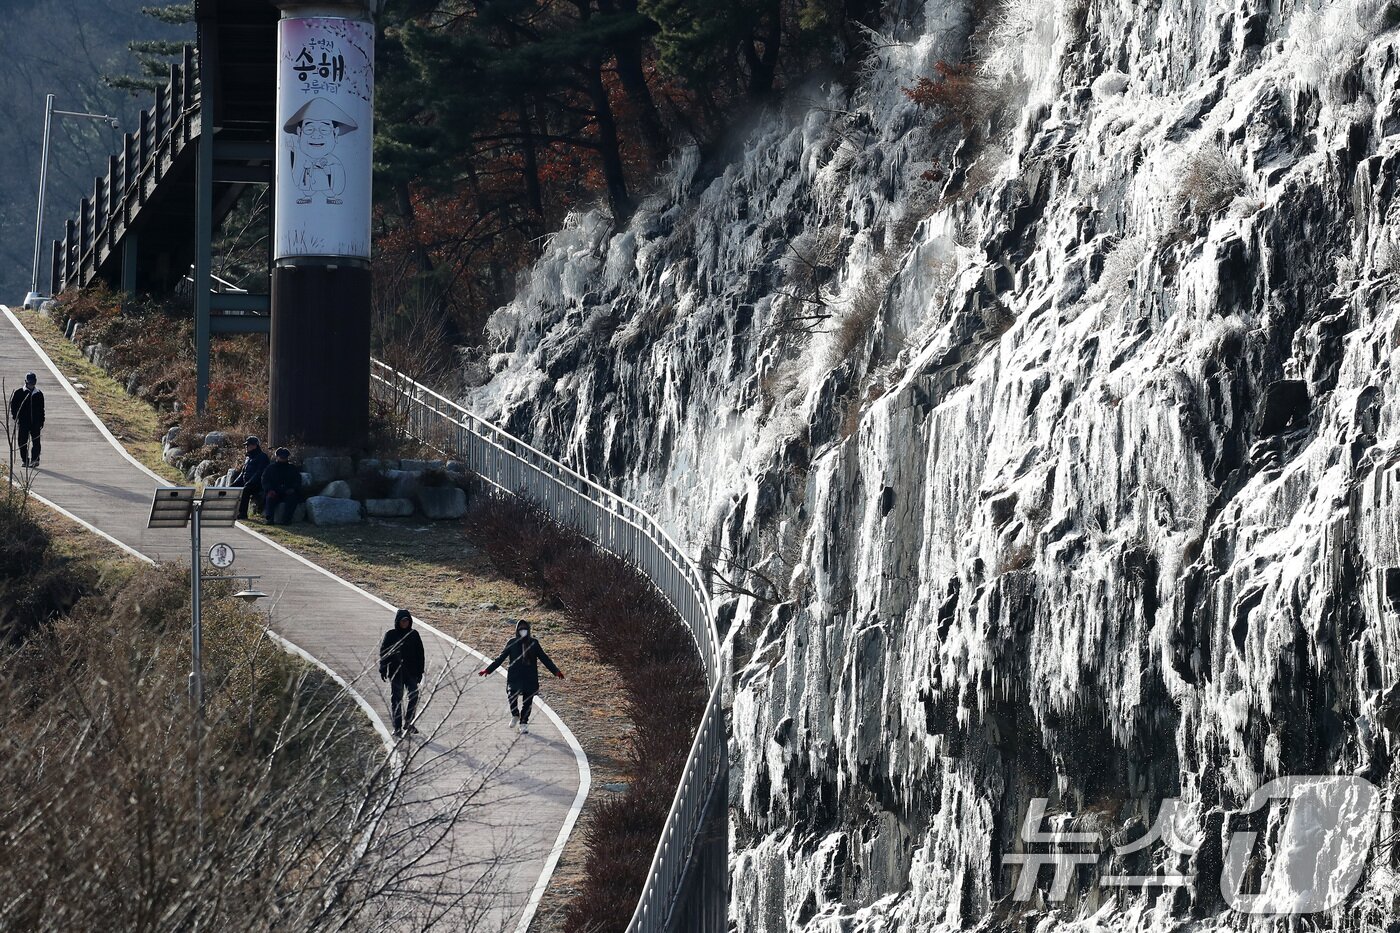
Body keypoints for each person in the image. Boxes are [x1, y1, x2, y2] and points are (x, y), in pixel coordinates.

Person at [478, 619, 563, 735]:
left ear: (529, 630)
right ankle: (515, 714)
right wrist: (488, 670)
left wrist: (556, 671)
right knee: (511, 695)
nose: (523, 631)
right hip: (515, 676)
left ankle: (523, 724)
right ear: (517, 630)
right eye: (520, 629)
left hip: (530, 677)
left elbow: (544, 658)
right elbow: (500, 658)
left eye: (525, 629)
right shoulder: (512, 642)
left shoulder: (534, 643)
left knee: (527, 702)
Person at [379, 608, 425, 739]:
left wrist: (420, 672)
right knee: (397, 700)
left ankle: (409, 722)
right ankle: (397, 727)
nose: (405, 623)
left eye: (407, 621)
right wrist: (383, 667)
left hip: (411, 673)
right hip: (396, 673)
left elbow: (420, 654)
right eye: (402, 621)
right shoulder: (391, 635)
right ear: (397, 621)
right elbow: (384, 653)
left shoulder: (414, 634)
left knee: (414, 696)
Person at [9, 372, 45, 469]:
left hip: (36, 423)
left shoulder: (39, 394)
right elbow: (14, 407)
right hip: (23, 423)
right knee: (22, 442)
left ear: (35, 382)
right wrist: (16, 417)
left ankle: (35, 460)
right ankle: (25, 460)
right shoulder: (19, 393)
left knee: (36, 442)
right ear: (25, 382)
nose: (31, 385)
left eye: (33, 383)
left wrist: (42, 421)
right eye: (29, 383)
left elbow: (42, 409)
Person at [260, 447, 303, 525]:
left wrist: (293, 489)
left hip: (288, 492)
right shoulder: (270, 468)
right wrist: (269, 489)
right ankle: (269, 519)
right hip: (274, 491)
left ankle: (286, 520)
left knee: (292, 499)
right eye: (281, 457)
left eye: (285, 457)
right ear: (277, 457)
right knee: (269, 498)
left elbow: (298, 480)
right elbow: (264, 480)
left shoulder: (292, 468)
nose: (283, 459)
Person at [232, 436, 270, 519]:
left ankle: (243, 514)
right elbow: (243, 473)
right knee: (231, 489)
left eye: (248, 445)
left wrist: (249, 483)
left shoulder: (262, 457)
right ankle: (229, 510)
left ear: (254, 446)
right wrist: (234, 484)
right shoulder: (248, 457)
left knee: (245, 490)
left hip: (258, 484)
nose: (246, 447)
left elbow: (260, 473)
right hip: (248, 482)